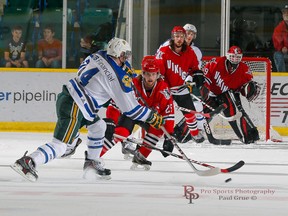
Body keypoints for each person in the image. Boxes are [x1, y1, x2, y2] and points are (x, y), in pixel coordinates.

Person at [10, 37, 164, 182]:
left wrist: (125, 72)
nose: (126, 59)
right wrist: (151, 117)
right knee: (61, 145)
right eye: (125, 55)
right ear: (119, 54)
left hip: (78, 101)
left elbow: (105, 81)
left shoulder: (99, 55)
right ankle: (29, 161)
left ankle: (92, 163)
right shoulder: (117, 76)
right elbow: (131, 110)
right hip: (76, 106)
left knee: (99, 127)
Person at [100, 55, 175, 170]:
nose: (150, 78)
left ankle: (141, 155)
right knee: (120, 133)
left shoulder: (163, 90)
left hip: (148, 117)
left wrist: (169, 137)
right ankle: (95, 156)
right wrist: (111, 121)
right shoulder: (131, 85)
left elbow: (168, 114)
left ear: (158, 74)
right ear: (143, 73)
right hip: (130, 115)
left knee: (158, 128)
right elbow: (115, 104)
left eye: (154, 74)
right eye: (148, 74)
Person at [156, 26, 205, 143]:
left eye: (182, 37)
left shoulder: (190, 52)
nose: (179, 39)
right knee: (162, 114)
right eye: (177, 36)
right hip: (166, 88)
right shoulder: (164, 51)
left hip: (180, 87)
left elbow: (194, 67)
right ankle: (151, 135)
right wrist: (162, 85)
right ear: (173, 37)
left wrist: (197, 74)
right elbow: (158, 71)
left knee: (190, 111)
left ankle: (194, 133)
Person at [202, 46, 261, 144]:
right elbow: (205, 78)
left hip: (229, 96)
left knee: (236, 111)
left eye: (238, 57)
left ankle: (248, 134)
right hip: (212, 95)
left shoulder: (244, 68)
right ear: (228, 56)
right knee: (200, 113)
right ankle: (181, 133)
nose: (235, 59)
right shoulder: (216, 63)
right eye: (233, 56)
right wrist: (203, 91)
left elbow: (243, 88)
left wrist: (248, 89)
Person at [272, 5, 288, 72]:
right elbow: (277, 42)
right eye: (284, 12)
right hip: (285, 53)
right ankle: (282, 77)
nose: (286, 14)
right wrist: (282, 48)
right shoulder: (279, 28)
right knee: (278, 55)